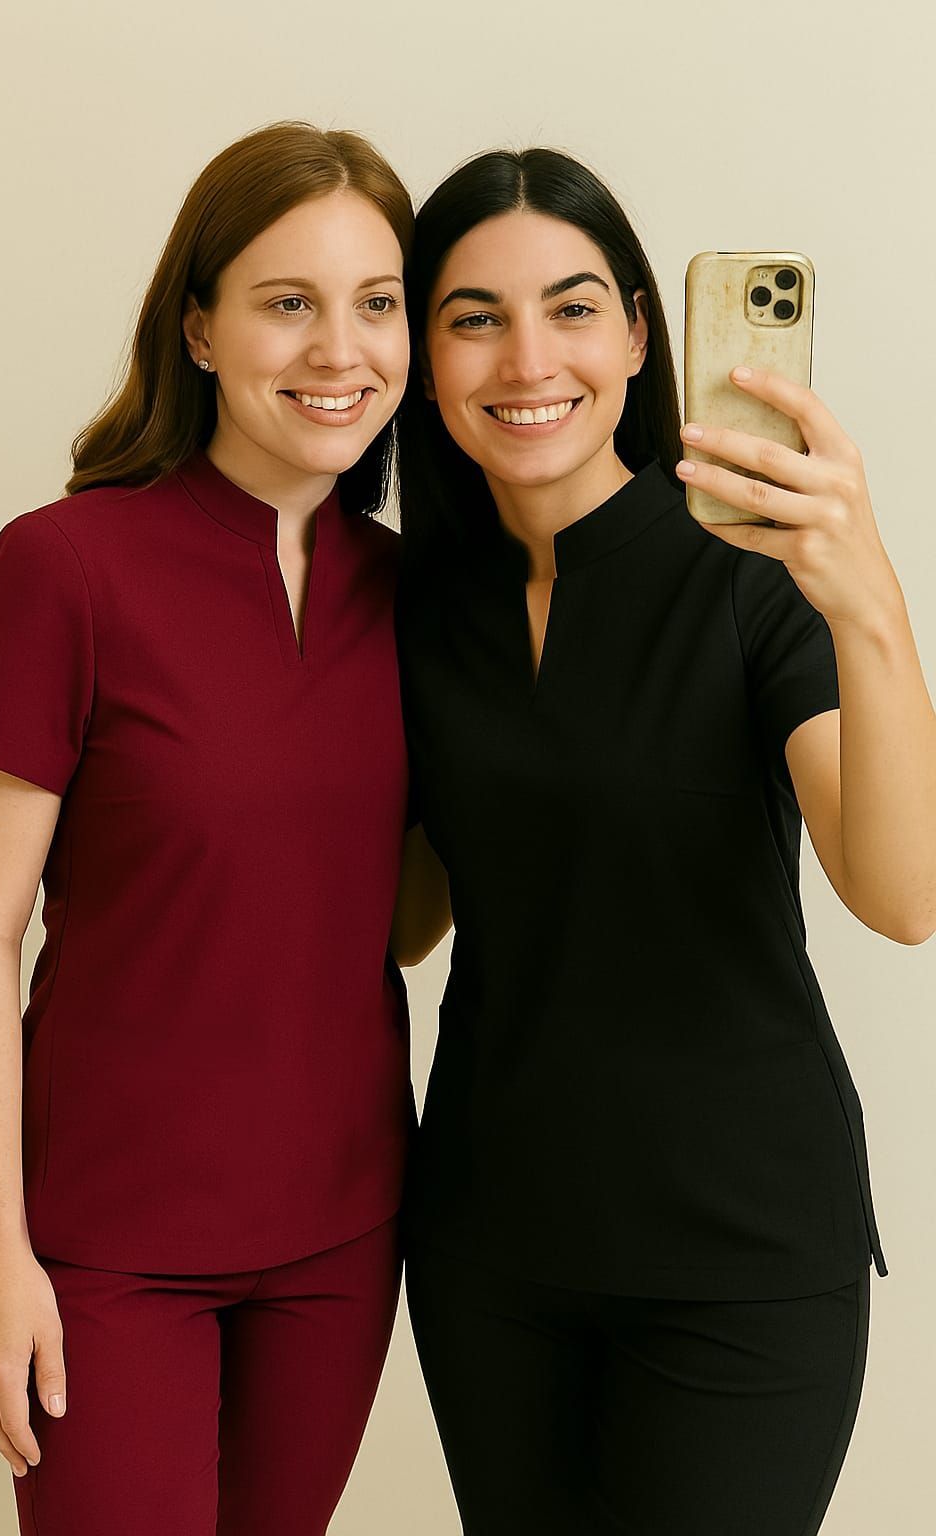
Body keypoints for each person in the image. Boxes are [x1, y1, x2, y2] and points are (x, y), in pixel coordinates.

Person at [392, 146, 936, 1535]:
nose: (528, 357)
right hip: (493, 1247)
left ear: (641, 332)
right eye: (473, 317)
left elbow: (904, 894)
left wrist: (867, 597)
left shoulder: (755, 574)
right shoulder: (409, 609)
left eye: (574, 308)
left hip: (739, 1257)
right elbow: (399, 921)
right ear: (422, 354)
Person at [0, 120, 416, 1536]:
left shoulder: (412, 597)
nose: (339, 349)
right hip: (104, 1252)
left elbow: (390, 897)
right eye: (286, 302)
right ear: (196, 327)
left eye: (374, 303)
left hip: (341, 1234)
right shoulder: (62, 569)